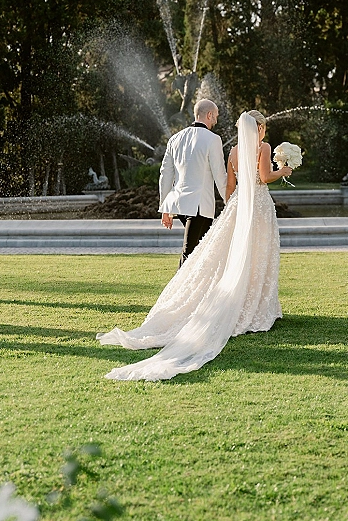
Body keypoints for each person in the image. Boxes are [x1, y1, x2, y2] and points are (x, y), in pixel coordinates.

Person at [97, 110, 293, 381]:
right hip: (257, 207)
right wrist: (283, 170)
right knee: (258, 254)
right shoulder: (264, 147)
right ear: (259, 128)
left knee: (228, 257)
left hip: (236, 206)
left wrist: (231, 209)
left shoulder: (233, 152)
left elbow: (229, 187)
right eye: (263, 128)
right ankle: (257, 307)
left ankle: (242, 301)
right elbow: (264, 175)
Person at [159, 98, 227, 267]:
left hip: (179, 203)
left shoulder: (175, 138)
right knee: (190, 252)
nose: (216, 121)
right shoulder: (213, 139)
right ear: (209, 115)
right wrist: (229, 199)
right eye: (216, 116)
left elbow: (165, 174)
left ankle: (198, 291)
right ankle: (178, 292)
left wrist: (165, 207)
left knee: (200, 251)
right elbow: (220, 174)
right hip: (199, 205)